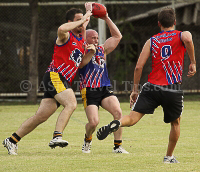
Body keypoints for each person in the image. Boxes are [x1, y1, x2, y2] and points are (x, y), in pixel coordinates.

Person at [96, 7, 196, 162]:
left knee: (132, 118)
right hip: (172, 88)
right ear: (175, 22)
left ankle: (117, 123)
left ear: (158, 24)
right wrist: (193, 63)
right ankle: (169, 157)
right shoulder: (182, 35)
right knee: (175, 123)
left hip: (151, 87)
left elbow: (138, 67)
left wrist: (135, 90)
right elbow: (188, 39)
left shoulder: (152, 41)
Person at [2, 4, 95, 155]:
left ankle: (12, 140)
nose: (82, 23)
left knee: (41, 116)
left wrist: (90, 53)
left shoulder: (80, 41)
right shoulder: (65, 36)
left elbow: (81, 63)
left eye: (82, 21)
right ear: (71, 22)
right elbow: (61, 29)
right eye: (77, 20)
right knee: (71, 103)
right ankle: (57, 136)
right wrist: (84, 16)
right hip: (55, 76)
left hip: (61, 80)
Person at [79, 9, 129, 154]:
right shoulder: (81, 50)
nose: (96, 40)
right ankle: (87, 140)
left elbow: (117, 36)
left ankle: (117, 146)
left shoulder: (102, 50)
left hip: (104, 88)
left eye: (97, 37)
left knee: (118, 113)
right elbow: (82, 64)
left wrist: (106, 17)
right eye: (93, 38)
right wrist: (90, 52)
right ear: (86, 39)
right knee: (94, 122)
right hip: (89, 90)